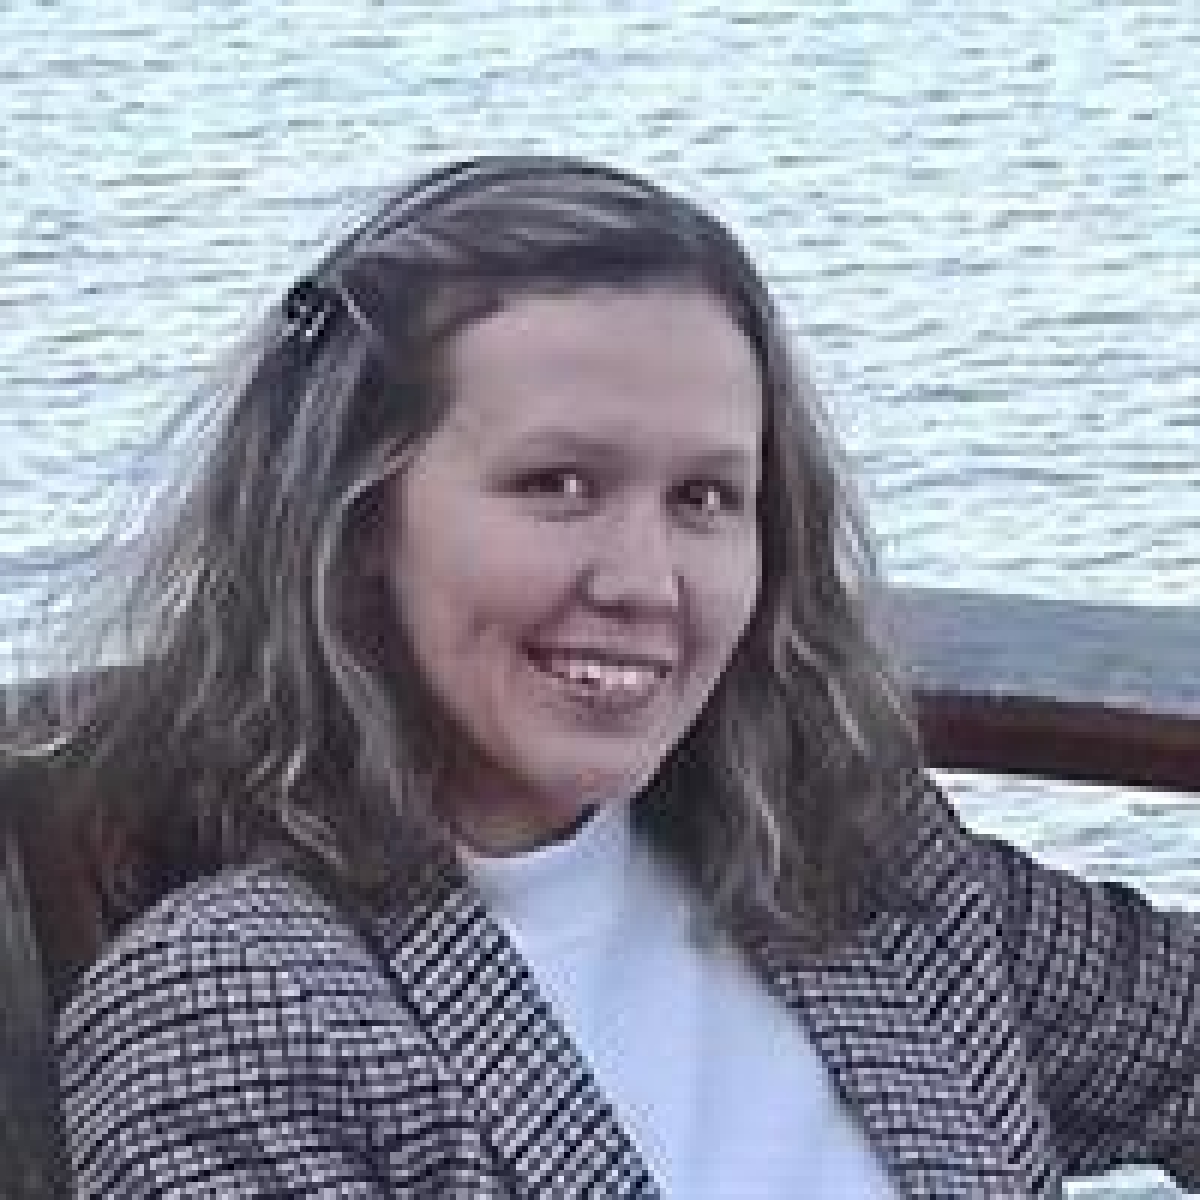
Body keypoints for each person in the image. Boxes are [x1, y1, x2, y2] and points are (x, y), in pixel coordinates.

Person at [43, 156, 1199, 1197]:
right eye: (559, 484)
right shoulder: (229, 1017)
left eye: (704, 498)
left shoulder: (845, 866)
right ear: (353, 528)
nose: (648, 582)